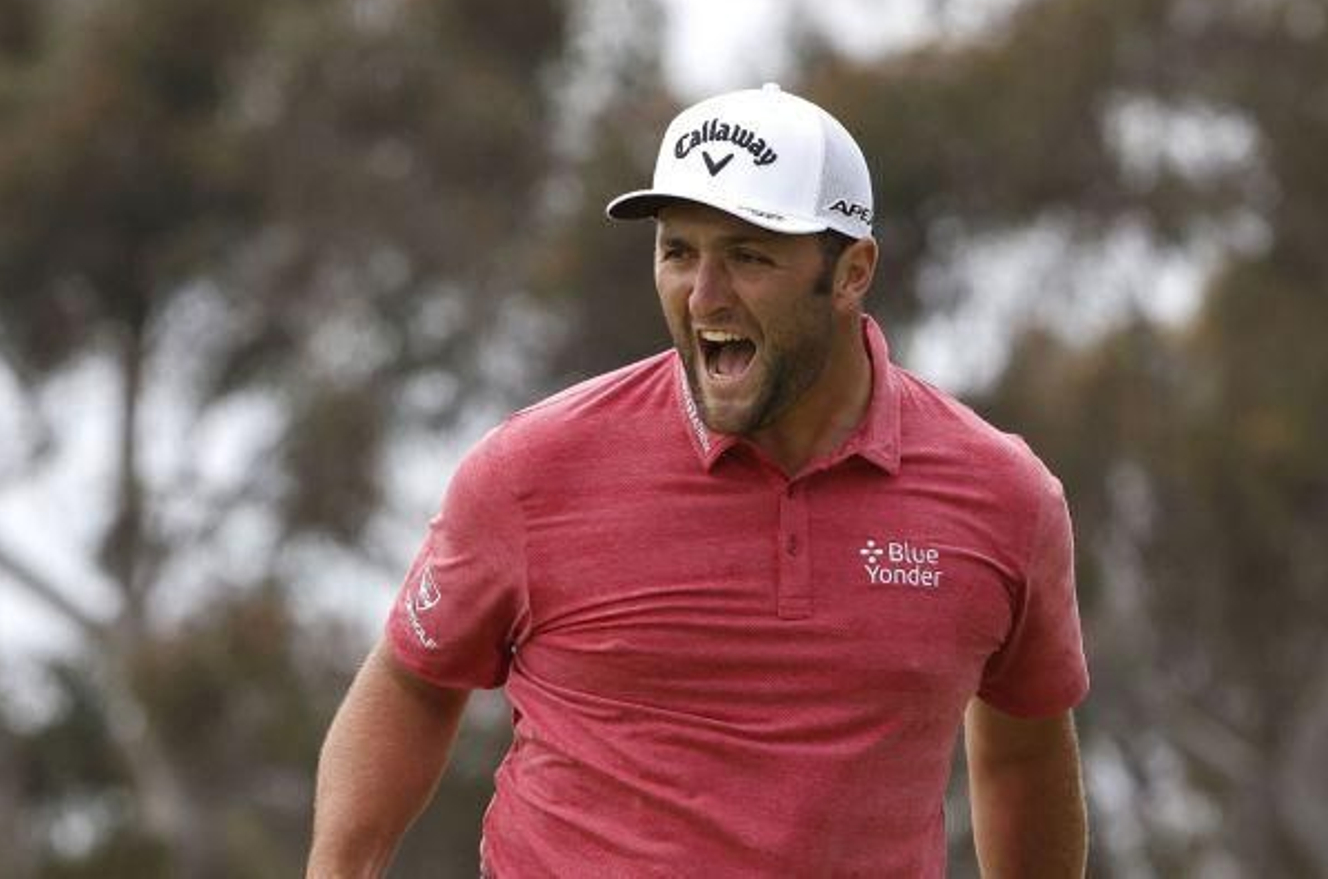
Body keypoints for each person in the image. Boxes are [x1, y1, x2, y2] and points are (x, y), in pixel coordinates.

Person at [305, 83, 1089, 878]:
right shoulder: (532, 471)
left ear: (852, 271)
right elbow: (412, 684)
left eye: (748, 255)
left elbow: (1022, 754)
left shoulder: (1003, 499)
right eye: (679, 251)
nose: (704, 295)